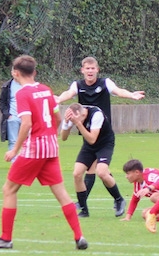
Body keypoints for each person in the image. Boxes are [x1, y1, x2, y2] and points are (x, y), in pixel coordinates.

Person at [0, 55, 88, 251]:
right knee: (61, 193)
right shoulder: (46, 90)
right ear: (34, 72)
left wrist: (14, 149)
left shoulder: (23, 94)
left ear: (15, 73)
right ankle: (79, 236)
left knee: (9, 190)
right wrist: (49, 136)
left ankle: (6, 238)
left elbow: (27, 124)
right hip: (51, 148)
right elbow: (57, 119)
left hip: (34, 150)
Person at [55, 56, 144, 217]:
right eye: (87, 68)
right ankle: (84, 207)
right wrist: (59, 100)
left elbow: (118, 91)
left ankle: (118, 200)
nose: (90, 71)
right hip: (88, 134)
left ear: (97, 70)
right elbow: (68, 93)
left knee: (100, 172)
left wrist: (131, 95)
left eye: (92, 68)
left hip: (102, 136)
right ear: (82, 70)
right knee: (80, 173)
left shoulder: (104, 83)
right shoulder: (77, 89)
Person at [59, 102, 126, 218]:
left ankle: (119, 200)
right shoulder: (75, 116)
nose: (75, 121)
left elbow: (92, 139)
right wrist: (66, 122)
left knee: (102, 172)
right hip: (89, 146)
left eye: (78, 119)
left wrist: (78, 123)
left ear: (83, 114)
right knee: (77, 174)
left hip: (104, 144)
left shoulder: (96, 115)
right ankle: (84, 210)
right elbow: (63, 138)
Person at [120, 158, 159, 233]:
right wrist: (128, 217)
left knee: (154, 197)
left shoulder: (149, 175)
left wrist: (149, 188)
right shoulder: (137, 183)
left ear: (137, 172)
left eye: (128, 173)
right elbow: (135, 200)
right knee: (145, 213)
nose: (126, 176)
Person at [0, 72, 22, 155]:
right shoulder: (7, 86)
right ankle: (14, 160)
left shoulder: (28, 85)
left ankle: (26, 160)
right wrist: (8, 115)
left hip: (26, 118)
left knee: (28, 141)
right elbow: (2, 102)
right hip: (13, 118)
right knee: (13, 141)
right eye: (13, 71)